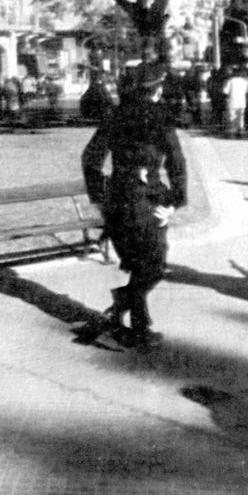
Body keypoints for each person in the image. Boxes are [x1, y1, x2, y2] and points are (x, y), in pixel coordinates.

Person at [80, 63, 187, 350]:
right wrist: (175, 201)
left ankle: (137, 323)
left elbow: (90, 159)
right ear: (157, 88)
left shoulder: (113, 116)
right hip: (147, 199)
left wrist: (99, 199)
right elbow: (177, 162)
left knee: (141, 264)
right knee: (153, 265)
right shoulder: (161, 117)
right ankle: (122, 308)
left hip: (117, 198)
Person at [221, 66, 248, 138]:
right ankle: (240, 132)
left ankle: (232, 133)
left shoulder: (230, 81)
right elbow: (247, 91)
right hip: (242, 101)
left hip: (232, 101)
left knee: (232, 117)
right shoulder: (244, 81)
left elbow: (225, 91)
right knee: (240, 117)